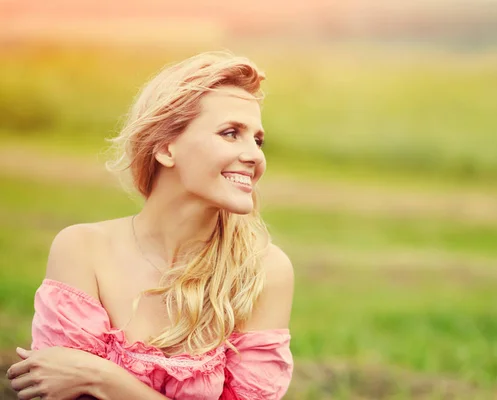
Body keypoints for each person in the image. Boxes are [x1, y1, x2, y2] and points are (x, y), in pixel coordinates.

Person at [6, 51, 295, 400]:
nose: (255, 155)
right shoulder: (83, 249)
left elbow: (79, 382)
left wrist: (102, 378)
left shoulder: (264, 271)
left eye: (257, 139)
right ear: (165, 149)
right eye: (231, 133)